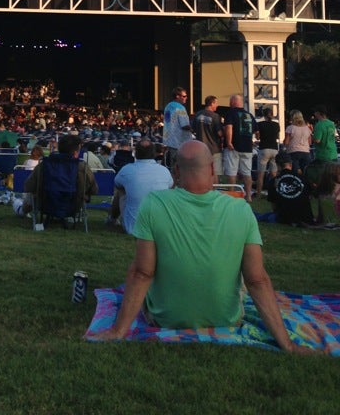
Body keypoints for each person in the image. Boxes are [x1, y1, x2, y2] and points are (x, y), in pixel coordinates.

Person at [95, 141, 310, 353]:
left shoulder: (154, 204)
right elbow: (257, 279)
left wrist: (118, 330)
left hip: (166, 318)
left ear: (176, 171)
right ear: (212, 170)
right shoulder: (240, 209)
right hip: (226, 319)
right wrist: (287, 344)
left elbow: (142, 272)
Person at [15, 134, 95, 217]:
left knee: (32, 192)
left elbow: (28, 186)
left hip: (45, 204)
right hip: (73, 206)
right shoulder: (82, 167)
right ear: (75, 152)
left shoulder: (45, 164)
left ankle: (21, 210)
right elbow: (94, 189)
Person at [109, 138, 174, 234]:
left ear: (135, 153)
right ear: (153, 153)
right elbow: (171, 187)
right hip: (160, 227)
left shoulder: (127, 170)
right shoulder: (164, 171)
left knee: (121, 191)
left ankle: (112, 219)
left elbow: (118, 185)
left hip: (134, 227)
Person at [222, 94, 257, 202]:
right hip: (247, 147)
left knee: (232, 172)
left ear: (233, 102)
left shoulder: (231, 113)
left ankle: (232, 194)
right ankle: (249, 196)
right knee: (247, 172)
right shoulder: (249, 115)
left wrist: (228, 142)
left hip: (234, 147)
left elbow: (229, 127)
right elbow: (256, 130)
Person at [192, 95, 224, 179]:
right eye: (216, 103)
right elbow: (220, 133)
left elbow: (193, 129)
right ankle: (214, 191)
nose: (217, 105)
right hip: (214, 149)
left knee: (201, 171)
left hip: (200, 148)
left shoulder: (197, 114)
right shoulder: (215, 116)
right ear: (212, 103)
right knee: (215, 173)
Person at [162, 86, 193, 169]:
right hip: (180, 142)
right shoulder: (180, 108)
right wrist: (194, 128)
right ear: (177, 96)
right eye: (184, 96)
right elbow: (184, 125)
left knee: (173, 167)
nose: (186, 98)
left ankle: (174, 181)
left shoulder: (168, 106)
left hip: (169, 141)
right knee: (182, 168)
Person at [255, 107, 280, 196]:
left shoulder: (260, 124)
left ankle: (258, 193)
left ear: (264, 115)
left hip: (264, 148)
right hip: (274, 149)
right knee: (274, 174)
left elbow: (258, 137)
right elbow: (277, 136)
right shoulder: (276, 125)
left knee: (261, 174)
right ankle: (277, 192)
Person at [283, 110, 313, 175]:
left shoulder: (290, 128)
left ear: (292, 117)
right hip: (306, 153)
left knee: (295, 173)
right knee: (306, 173)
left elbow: (286, 142)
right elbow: (310, 142)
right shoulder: (307, 128)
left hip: (293, 152)